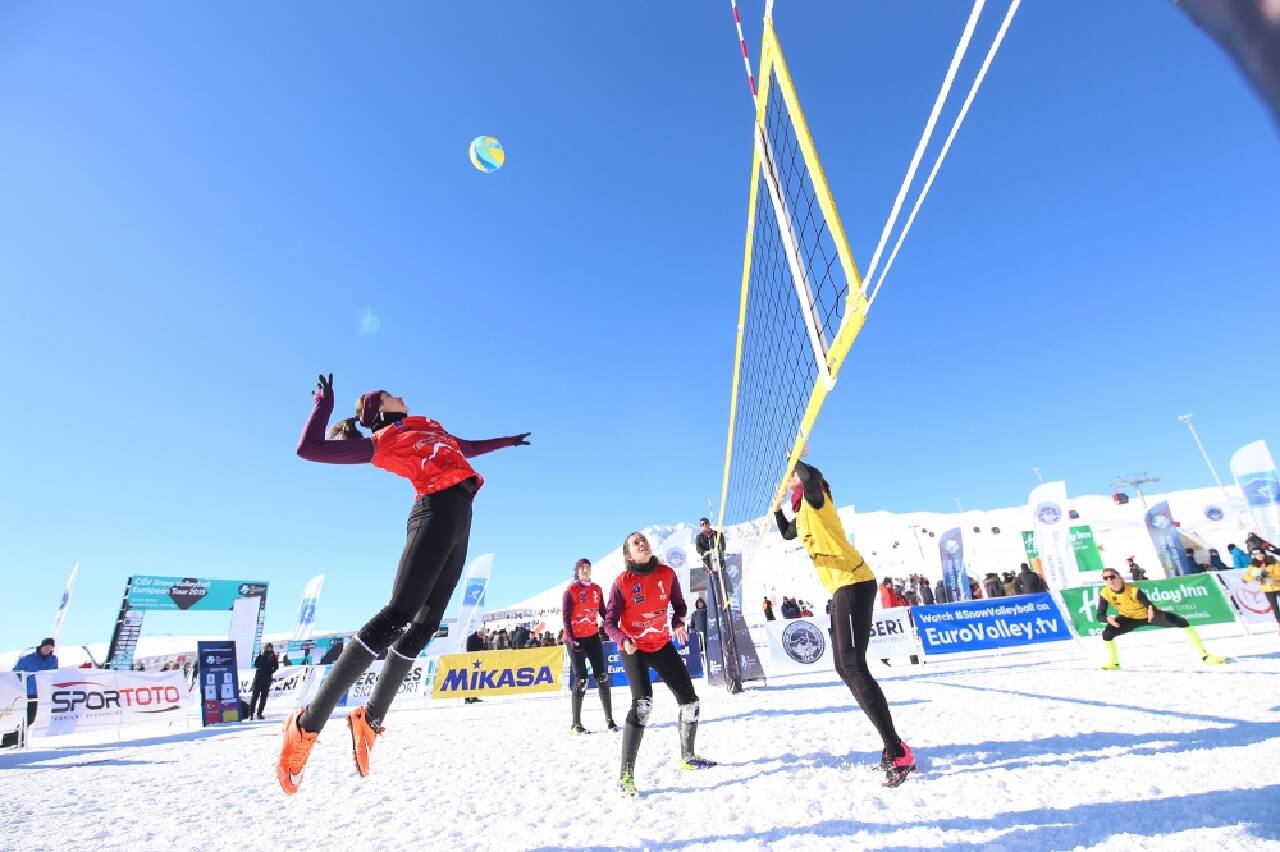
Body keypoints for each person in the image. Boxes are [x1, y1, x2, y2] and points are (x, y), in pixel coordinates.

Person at [277, 373, 530, 793]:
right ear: (379, 409)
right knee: (397, 615)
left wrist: (505, 441)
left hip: (461, 518)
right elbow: (308, 449)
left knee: (427, 625)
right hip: (431, 513)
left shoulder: (430, 427)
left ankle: (370, 720)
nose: (404, 396)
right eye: (394, 395)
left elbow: (465, 448)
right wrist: (323, 404)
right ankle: (306, 724)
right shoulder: (383, 442)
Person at [775, 458, 915, 787]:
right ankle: (892, 745)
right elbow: (785, 533)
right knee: (843, 666)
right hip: (841, 587)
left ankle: (897, 751)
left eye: (793, 477)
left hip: (854, 582)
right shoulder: (802, 513)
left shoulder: (817, 498)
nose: (791, 478)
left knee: (853, 665)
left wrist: (796, 460)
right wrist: (777, 508)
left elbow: (809, 477)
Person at [605, 532, 715, 796]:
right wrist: (623, 639)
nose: (642, 543)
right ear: (628, 555)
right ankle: (626, 776)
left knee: (690, 701)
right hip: (634, 647)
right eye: (635, 542)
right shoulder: (622, 582)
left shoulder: (667, 574)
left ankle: (688, 756)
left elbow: (679, 606)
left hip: (661, 644)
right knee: (642, 703)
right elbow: (609, 623)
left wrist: (678, 623)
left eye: (643, 539)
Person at [1095, 568, 1227, 670]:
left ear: (1120, 577)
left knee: (1181, 621)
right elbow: (1099, 615)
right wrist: (1108, 619)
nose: (1109, 580)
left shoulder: (1133, 589)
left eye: (1112, 577)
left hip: (1149, 615)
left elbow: (1148, 603)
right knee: (1107, 633)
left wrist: (1151, 609)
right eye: (1105, 578)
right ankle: (1114, 663)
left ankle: (1205, 656)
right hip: (1129, 618)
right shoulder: (1105, 592)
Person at [562, 558, 617, 734]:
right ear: (577, 571)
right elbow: (565, 617)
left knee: (602, 676)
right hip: (575, 638)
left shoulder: (597, 589)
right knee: (582, 678)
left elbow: (602, 611)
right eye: (582, 568)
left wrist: (614, 621)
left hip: (592, 636)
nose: (586, 570)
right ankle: (575, 724)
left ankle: (609, 720)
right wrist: (571, 639)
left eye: (588, 568)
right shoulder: (571, 590)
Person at [4, 638, 58, 748]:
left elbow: (54, 673)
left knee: (30, 718)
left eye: (51, 647)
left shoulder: (53, 660)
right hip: (25, 692)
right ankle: (9, 741)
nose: (48, 648)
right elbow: (16, 672)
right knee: (18, 716)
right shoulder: (28, 658)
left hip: (40, 693)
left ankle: (17, 739)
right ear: (42, 646)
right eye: (47, 646)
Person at [1242, 546, 1280, 633]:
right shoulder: (1253, 564)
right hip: (1267, 588)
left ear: (1263, 553)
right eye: (1255, 554)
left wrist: (1270, 576)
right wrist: (1256, 578)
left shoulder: (1273, 561)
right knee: (1275, 607)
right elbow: (1246, 576)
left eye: (1259, 553)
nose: (1258, 556)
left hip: (1278, 586)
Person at [250, 643, 279, 721]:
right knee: (255, 696)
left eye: (270, 648)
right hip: (259, 678)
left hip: (266, 679)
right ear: (265, 648)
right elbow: (257, 664)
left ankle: (259, 713)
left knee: (263, 697)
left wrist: (274, 662)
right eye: (268, 648)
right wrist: (263, 659)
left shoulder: (273, 657)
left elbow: (276, 667)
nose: (269, 649)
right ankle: (251, 713)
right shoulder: (261, 656)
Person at [463, 628, 488, 704]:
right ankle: (467, 698)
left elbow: (482, 648)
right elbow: (469, 650)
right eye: (482, 635)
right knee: (470, 680)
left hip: (478, 661)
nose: (483, 637)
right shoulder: (471, 638)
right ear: (479, 633)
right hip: (471, 661)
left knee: (476, 679)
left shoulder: (480, 639)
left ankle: (474, 696)